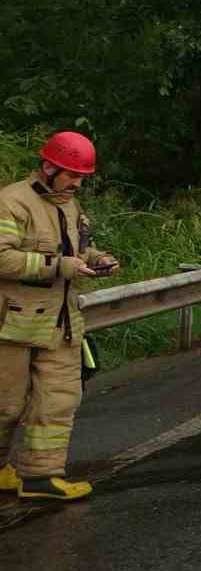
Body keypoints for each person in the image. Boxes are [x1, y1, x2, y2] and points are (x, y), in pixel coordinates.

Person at [0, 131, 119, 501]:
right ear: (48, 167)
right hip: (14, 323)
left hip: (62, 322)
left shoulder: (70, 205)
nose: (77, 183)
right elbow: (2, 256)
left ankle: (40, 477)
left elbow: (76, 248)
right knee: (5, 406)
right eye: (71, 174)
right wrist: (58, 266)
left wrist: (97, 258)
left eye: (82, 176)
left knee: (59, 400)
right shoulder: (11, 202)